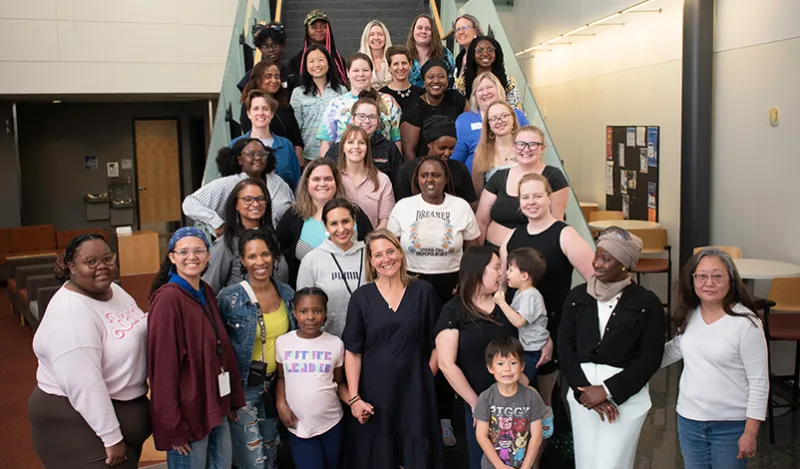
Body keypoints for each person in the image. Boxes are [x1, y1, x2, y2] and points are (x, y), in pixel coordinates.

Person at [29, 235, 150, 469]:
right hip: (80, 426)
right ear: (72, 267)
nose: (101, 267)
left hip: (120, 420)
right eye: (91, 262)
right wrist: (112, 437)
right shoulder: (71, 314)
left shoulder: (115, 291)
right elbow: (85, 385)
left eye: (107, 258)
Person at [559, 227, 665, 469]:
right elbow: (565, 347)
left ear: (625, 265)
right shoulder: (577, 296)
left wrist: (607, 391)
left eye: (606, 259)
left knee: (611, 464)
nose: (596, 263)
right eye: (597, 255)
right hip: (582, 395)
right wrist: (583, 392)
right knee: (586, 463)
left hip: (626, 399)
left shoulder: (647, 303)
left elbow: (650, 357)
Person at [342, 229, 444, 468]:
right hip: (375, 394)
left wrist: (427, 375)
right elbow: (353, 351)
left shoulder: (423, 291)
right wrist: (355, 398)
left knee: (416, 455)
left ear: (400, 253)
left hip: (415, 390)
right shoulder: (360, 298)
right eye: (378, 255)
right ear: (370, 261)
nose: (386, 259)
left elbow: (440, 340)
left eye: (390, 251)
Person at [148, 227, 245, 468]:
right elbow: (163, 368)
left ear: (208, 255)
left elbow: (222, 349)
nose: (192, 257)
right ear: (172, 257)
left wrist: (231, 399)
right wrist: (172, 425)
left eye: (199, 250)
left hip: (214, 407)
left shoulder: (205, 291)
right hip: (188, 416)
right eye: (184, 251)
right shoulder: (168, 300)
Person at [662, 248, 768, 468]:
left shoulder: (746, 323)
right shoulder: (690, 315)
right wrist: (634, 358)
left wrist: (750, 433)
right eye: (701, 276)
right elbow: (674, 350)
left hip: (730, 426)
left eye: (717, 276)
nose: (708, 282)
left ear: (730, 280)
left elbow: (759, 382)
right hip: (689, 420)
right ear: (693, 280)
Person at [499, 173, 594, 410]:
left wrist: (559, 332)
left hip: (550, 327)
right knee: (517, 394)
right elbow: (502, 283)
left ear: (550, 198)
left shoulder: (565, 234)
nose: (531, 202)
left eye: (537, 196)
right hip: (516, 327)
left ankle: (548, 443)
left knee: (544, 399)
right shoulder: (512, 236)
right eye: (525, 197)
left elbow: (595, 281)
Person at [435, 246, 521, 469]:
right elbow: (446, 363)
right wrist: (476, 404)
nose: (502, 273)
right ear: (477, 271)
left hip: (516, 400)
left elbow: (529, 333)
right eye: (495, 268)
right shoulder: (453, 310)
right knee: (483, 461)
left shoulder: (506, 303)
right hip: (480, 403)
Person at [217, 229, 296, 469]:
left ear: (273, 256)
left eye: (265, 254)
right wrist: (227, 397)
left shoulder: (286, 293)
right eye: (251, 256)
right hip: (243, 391)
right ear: (242, 260)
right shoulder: (229, 298)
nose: (259, 262)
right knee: (254, 462)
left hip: (276, 388)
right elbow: (218, 351)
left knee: (271, 457)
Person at [388, 155, 479, 305]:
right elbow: (391, 249)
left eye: (436, 175)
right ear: (418, 179)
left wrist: (465, 281)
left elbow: (472, 252)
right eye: (424, 175)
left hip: (452, 281)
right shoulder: (402, 207)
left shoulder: (461, 207)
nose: (429, 180)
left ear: (446, 179)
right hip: (411, 279)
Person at [276, 287, 349, 469]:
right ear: (294, 313)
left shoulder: (335, 344)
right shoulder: (283, 342)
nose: (310, 317)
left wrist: (354, 401)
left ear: (325, 313)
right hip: (298, 425)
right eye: (303, 311)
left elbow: (338, 382)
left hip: (331, 423)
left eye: (317, 311)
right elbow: (281, 377)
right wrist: (280, 404)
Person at [277, 159, 373, 287]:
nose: (322, 183)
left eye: (328, 179)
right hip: (308, 297)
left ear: (336, 182)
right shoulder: (294, 215)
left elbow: (372, 246)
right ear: (307, 182)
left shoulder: (355, 212)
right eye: (316, 179)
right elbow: (277, 247)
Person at [476, 125, 569, 249]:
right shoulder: (499, 177)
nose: (526, 149)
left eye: (533, 144)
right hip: (493, 252)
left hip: (532, 255)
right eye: (521, 144)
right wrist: (477, 254)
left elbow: (557, 220)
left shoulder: (553, 176)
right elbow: (481, 220)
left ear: (542, 148)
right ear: (514, 147)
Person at [182, 138, 293, 236]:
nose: (258, 158)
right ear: (239, 160)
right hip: (241, 249)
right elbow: (190, 203)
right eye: (251, 154)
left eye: (262, 154)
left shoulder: (278, 182)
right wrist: (218, 224)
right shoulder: (228, 183)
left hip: (277, 246)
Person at [297, 198, 367, 338]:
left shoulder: (369, 254)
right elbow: (303, 306)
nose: (341, 229)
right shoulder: (312, 260)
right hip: (328, 340)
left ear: (354, 221)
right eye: (334, 223)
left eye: (345, 221)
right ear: (325, 226)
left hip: (367, 336)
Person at [203, 179, 289, 292]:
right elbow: (208, 289)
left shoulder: (272, 238)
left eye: (260, 199)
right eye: (248, 199)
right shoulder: (226, 243)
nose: (255, 204)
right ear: (236, 205)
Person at [474, 336, 547, 469]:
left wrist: (525, 467)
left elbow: (537, 436)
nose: (507, 369)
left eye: (513, 363)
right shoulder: (485, 398)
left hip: (524, 464)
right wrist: (499, 466)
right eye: (500, 364)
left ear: (522, 366)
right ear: (490, 368)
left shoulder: (531, 397)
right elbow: (481, 435)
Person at [317, 53, 402, 157]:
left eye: (365, 70)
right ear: (348, 73)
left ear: (371, 72)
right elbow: (326, 142)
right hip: (344, 164)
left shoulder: (388, 102)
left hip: (382, 162)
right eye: (356, 70)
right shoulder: (336, 104)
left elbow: (396, 140)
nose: (361, 74)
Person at [451, 72, 529, 173]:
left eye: (489, 87)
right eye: (480, 90)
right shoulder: (464, 121)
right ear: (475, 96)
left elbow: (531, 147)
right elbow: (456, 160)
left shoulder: (517, 115)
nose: (485, 92)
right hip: (477, 181)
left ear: (499, 90)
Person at [493, 247, 549, 384]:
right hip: (526, 346)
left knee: (519, 383)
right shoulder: (521, 292)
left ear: (524, 276)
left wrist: (501, 303)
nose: (506, 273)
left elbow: (519, 321)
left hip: (533, 349)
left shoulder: (530, 295)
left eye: (511, 270)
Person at [394, 115, 477, 206]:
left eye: (451, 148)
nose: (447, 153)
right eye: (442, 148)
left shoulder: (460, 169)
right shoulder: (409, 169)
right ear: (429, 144)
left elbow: (470, 205)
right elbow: (400, 205)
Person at [324, 94, 404, 184]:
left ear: (378, 122)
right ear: (352, 119)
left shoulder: (389, 149)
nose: (366, 121)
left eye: (372, 117)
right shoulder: (337, 149)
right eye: (361, 116)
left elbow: (399, 183)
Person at [231, 91, 302, 190]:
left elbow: (298, 182)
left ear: (272, 114)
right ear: (248, 114)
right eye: (256, 109)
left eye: (265, 109)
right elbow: (229, 181)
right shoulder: (236, 145)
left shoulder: (286, 145)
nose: (260, 113)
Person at [401, 59, 469, 160]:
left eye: (441, 76)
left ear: (447, 80)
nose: (436, 81)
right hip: (426, 168)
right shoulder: (414, 109)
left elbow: (471, 122)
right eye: (430, 77)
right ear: (424, 80)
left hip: (456, 162)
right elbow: (409, 153)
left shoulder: (456, 99)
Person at [239, 60, 305, 161]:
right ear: (257, 80)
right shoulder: (249, 106)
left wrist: (298, 154)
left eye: (277, 76)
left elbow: (296, 137)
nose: (274, 80)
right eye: (268, 76)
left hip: (288, 158)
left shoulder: (285, 106)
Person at [290, 44, 345, 165]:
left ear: (329, 63)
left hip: (337, 156)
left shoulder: (341, 91)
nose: (316, 65)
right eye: (311, 61)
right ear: (305, 66)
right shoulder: (298, 93)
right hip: (308, 157)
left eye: (321, 60)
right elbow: (294, 128)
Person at [336, 125, 395, 229]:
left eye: (361, 142)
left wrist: (370, 243)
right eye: (350, 142)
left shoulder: (382, 180)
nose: (356, 146)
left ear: (367, 148)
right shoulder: (333, 178)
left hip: (371, 241)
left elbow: (385, 220)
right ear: (343, 148)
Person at [454, 36, 522, 111]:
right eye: (479, 50)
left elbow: (516, 110)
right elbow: (457, 109)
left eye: (490, 50)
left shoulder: (508, 80)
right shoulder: (462, 82)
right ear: (472, 54)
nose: (485, 54)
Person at [472, 101, 521, 195]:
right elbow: (478, 195)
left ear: (513, 118)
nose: (499, 121)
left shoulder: (526, 148)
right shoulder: (481, 153)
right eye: (493, 118)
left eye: (504, 116)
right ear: (488, 125)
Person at [289, 10, 347, 86]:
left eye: (323, 27)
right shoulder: (297, 61)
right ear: (307, 30)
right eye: (313, 27)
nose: (319, 30)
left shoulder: (338, 60)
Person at [237, 22, 296, 93]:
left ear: (282, 45)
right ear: (259, 49)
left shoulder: (292, 76)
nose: (271, 50)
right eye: (265, 46)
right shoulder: (251, 75)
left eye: (274, 45)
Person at [407, 14, 455, 88]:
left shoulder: (445, 54)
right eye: (419, 28)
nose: (423, 31)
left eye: (428, 28)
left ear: (433, 32)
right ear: (413, 31)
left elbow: (451, 79)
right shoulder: (405, 55)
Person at [380, 45, 425, 113]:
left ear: (410, 65)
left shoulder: (422, 94)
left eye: (404, 63)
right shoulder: (382, 95)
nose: (400, 68)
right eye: (396, 64)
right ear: (389, 68)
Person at [359, 20, 393, 90]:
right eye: (372, 34)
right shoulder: (359, 61)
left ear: (386, 37)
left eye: (380, 34)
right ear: (366, 38)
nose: (376, 38)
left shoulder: (393, 59)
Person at [453, 15, 483, 80]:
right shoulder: (459, 58)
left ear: (475, 31)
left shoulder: (483, 54)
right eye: (457, 29)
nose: (460, 32)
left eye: (465, 28)